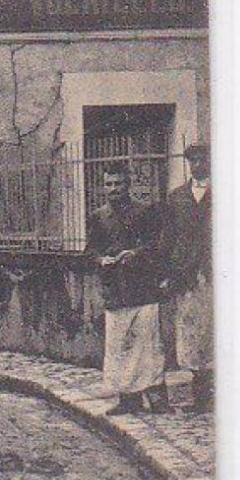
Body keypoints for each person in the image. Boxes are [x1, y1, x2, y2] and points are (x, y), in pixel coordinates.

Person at [87, 161, 168, 415]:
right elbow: (90, 250)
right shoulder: (98, 217)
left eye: (119, 184)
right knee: (120, 345)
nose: (114, 189)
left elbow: (157, 245)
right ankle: (128, 399)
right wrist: (101, 259)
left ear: (128, 184)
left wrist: (135, 254)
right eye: (109, 184)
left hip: (142, 289)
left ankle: (156, 398)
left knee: (148, 345)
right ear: (103, 187)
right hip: (116, 291)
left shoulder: (145, 212)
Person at [160, 144, 213, 412]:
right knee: (191, 333)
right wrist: (167, 274)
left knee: (214, 332)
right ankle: (199, 396)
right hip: (187, 276)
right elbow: (167, 239)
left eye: (202, 159)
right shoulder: (177, 197)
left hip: (217, 274)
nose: (197, 164)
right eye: (192, 160)